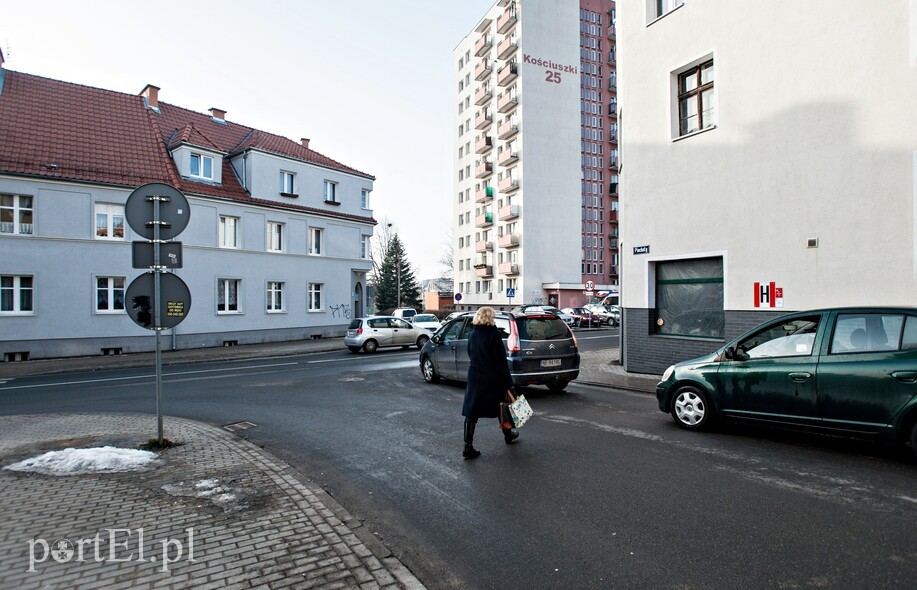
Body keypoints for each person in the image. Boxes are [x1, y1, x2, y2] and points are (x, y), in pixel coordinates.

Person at [462, 306, 519, 459]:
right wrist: (509, 383)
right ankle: (508, 435)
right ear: (490, 318)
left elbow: (470, 353)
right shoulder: (494, 335)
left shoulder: (472, 334)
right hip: (492, 378)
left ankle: (468, 446)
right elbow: (501, 362)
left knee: (471, 411)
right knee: (501, 407)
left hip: (475, 376)